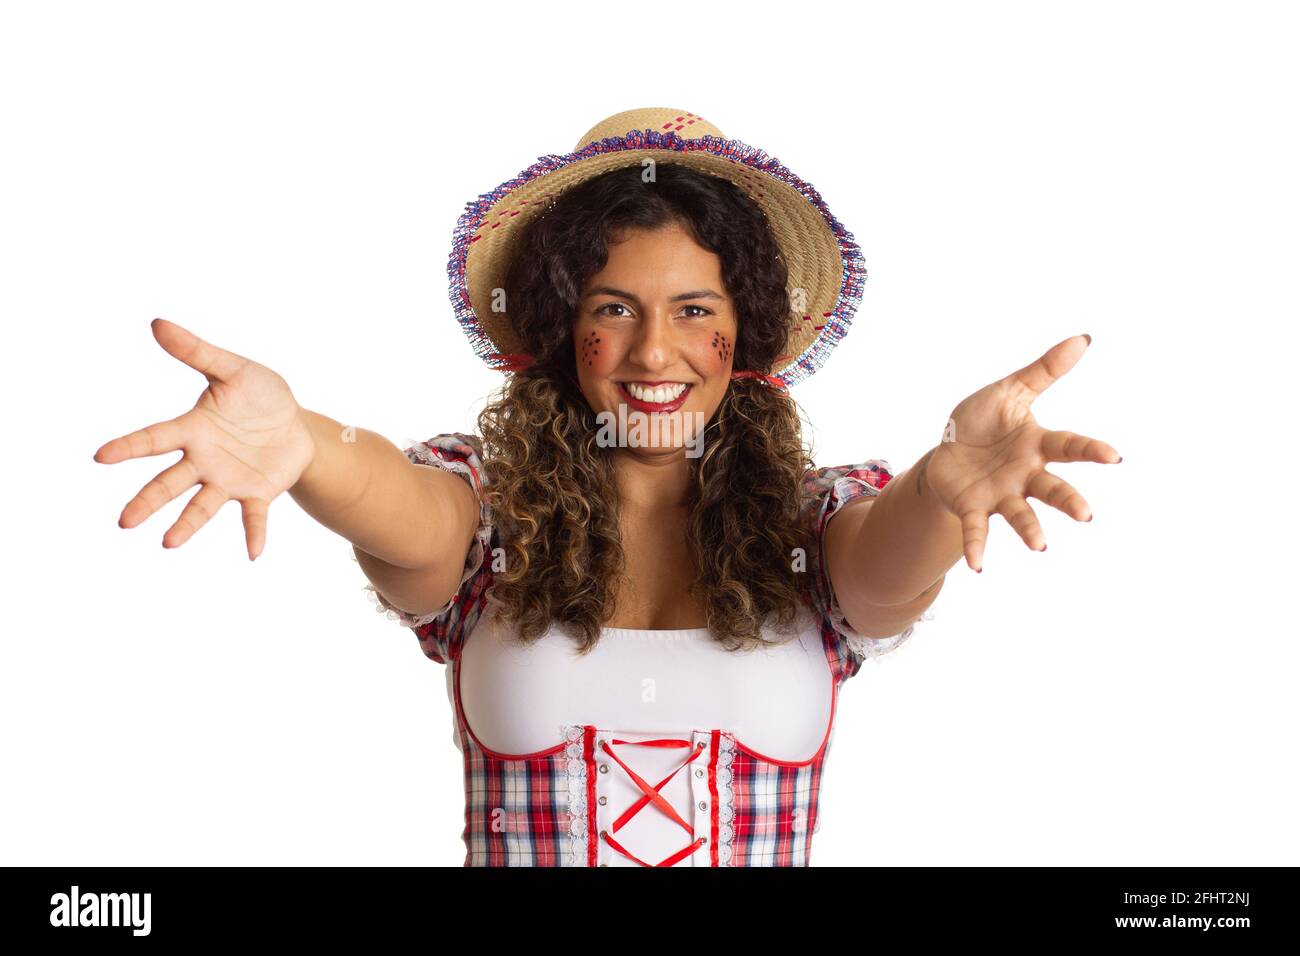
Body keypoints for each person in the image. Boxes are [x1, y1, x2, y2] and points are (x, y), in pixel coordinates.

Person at [94, 107, 1121, 866]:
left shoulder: (817, 522)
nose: (653, 350)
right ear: (558, 328)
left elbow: (884, 571)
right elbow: (403, 513)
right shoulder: (486, 511)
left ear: (744, 334)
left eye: (692, 310)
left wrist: (941, 495)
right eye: (615, 308)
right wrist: (310, 441)